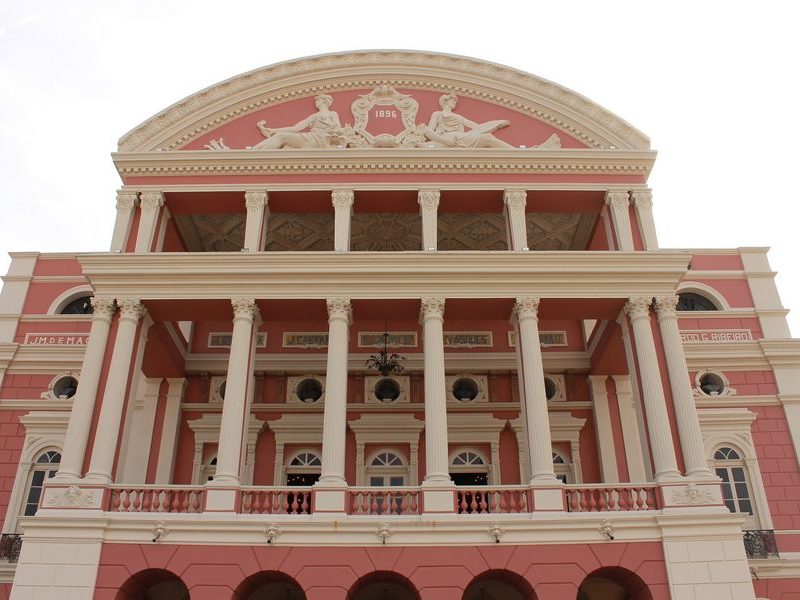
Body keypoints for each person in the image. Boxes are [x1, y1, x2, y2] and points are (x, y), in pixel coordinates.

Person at [251, 94, 342, 149]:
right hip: (311, 138)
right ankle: (256, 150)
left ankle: (255, 151)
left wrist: (332, 127)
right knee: (280, 136)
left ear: (324, 101)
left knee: (281, 136)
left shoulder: (332, 114)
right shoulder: (314, 116)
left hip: (318, 140)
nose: (316, 102)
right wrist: (274, 130)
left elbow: (339, 131)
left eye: (318, 100)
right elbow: (295, 128)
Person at [424, 94, 513, 148]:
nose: (455, 102)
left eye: (455, 101)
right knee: (487, 138)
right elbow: (428, 132)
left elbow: (477, 126)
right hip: (449, 138)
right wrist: (446, 141)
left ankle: (514, 152)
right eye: (452, 100)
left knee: (487, 137)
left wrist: (497, 124)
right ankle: (514, 153)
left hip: (463, 137)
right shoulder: (438, 114)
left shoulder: (459, 117)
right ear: (445, 101)